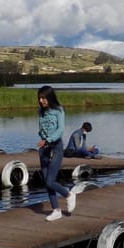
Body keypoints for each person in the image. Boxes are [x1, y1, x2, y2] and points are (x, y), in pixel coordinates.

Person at [36, 85, 74, 221]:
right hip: (44, 149)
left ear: (50, 97)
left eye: (44, 98)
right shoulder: (40, 112)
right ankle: (56, 210)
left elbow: (60, 130)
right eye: (39, 98)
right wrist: (43, 139)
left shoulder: (58, 110)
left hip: (56, 147)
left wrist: (48, 140)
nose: (41, 101)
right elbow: (40, 129)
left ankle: (68, 195)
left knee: (50, 180)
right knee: (47, 182)